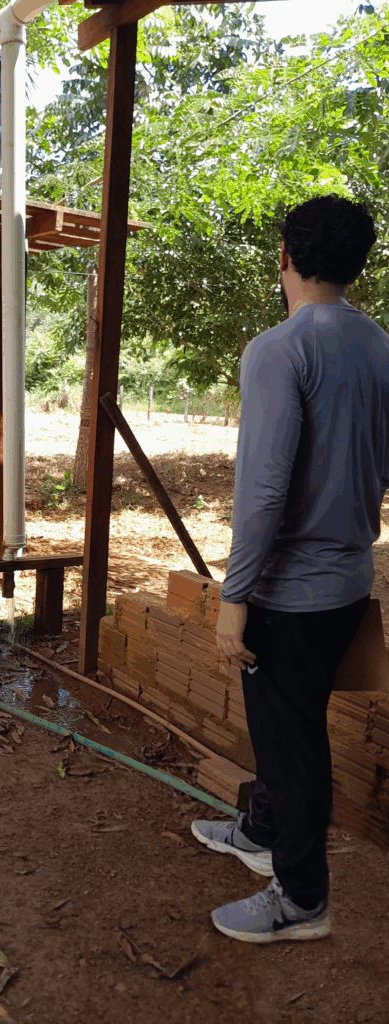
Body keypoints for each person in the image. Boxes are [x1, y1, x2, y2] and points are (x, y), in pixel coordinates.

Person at [191, 195, 388, 942]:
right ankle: (260, 832)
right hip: (346, 587)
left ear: (285, 257)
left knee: (293, 743)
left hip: (287, 597)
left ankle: (302, 899)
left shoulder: (279, 347)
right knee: (285, 726)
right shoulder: (379, 346)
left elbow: (264, 489)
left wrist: (234, 597)